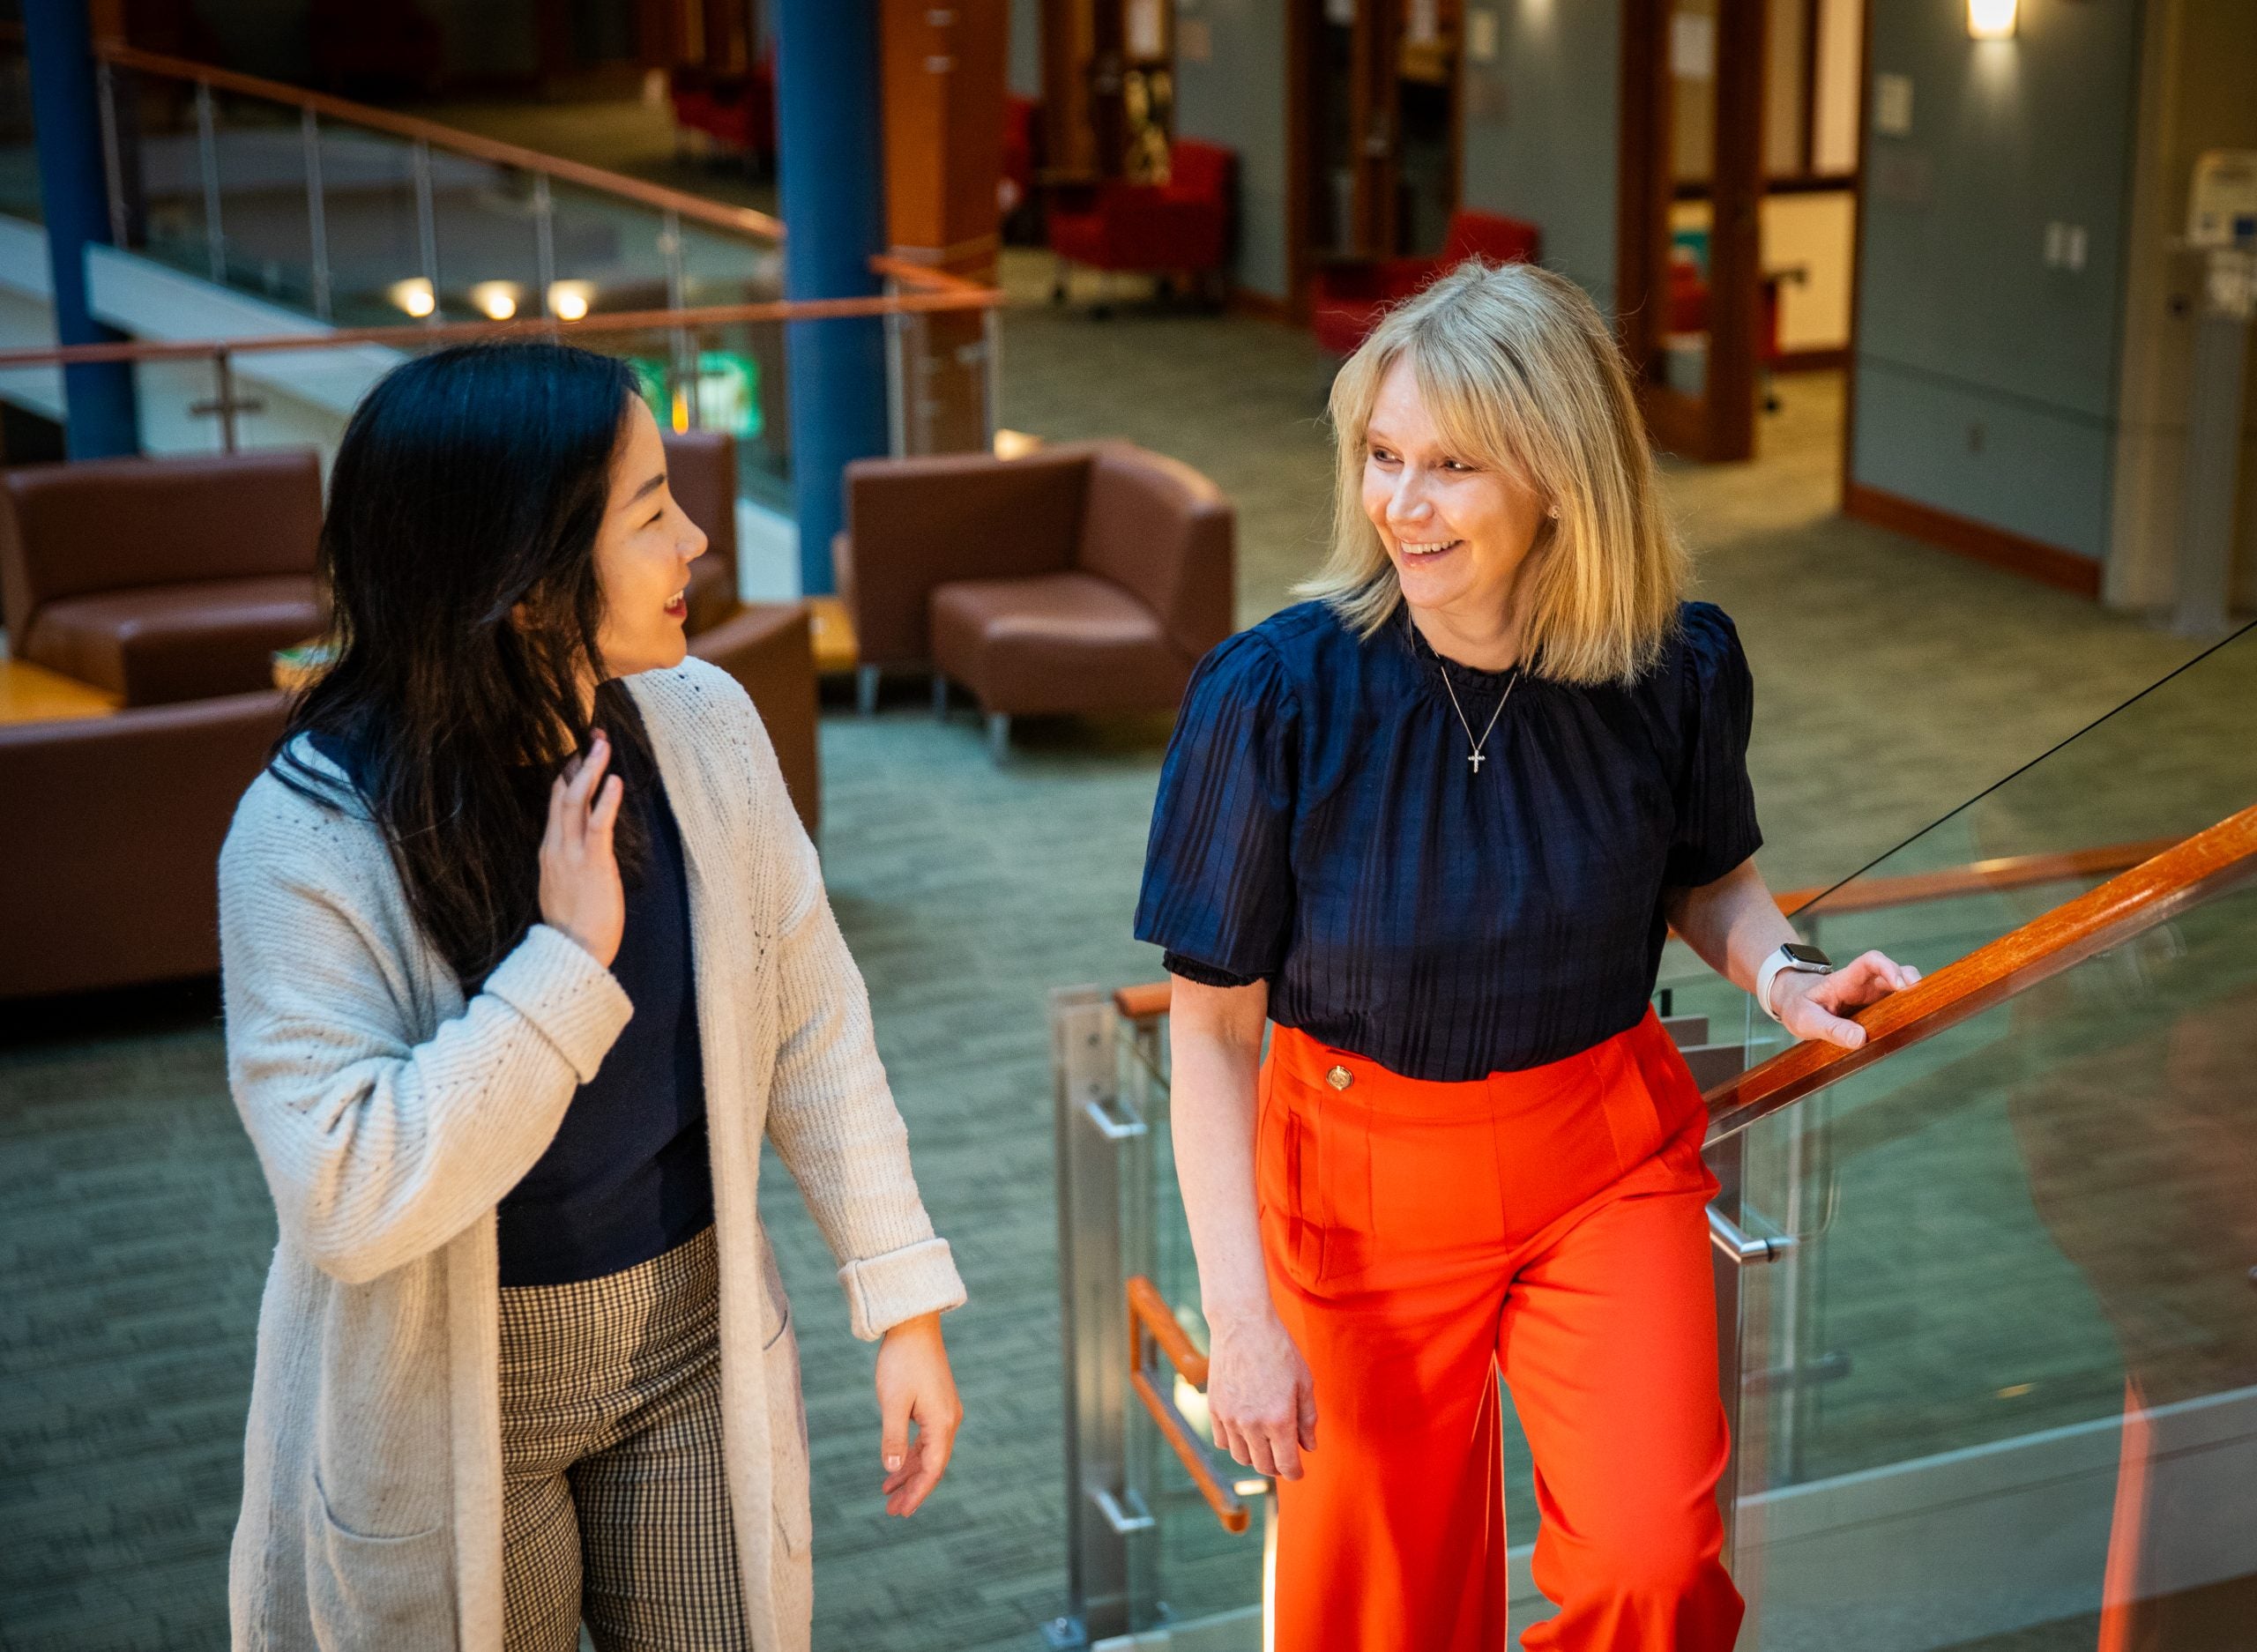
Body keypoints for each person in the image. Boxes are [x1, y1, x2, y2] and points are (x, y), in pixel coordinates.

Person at [1135, 261, 1918, 1650]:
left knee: (1654, 1564)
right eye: (1382, 455)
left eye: (1451, 465)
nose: (1400, 503)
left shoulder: (1667, 667)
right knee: (1381, 1611)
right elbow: (1208, 1033)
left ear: (1559, 473)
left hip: (1601, 1155)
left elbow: (1709, 876)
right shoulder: (1277, 696)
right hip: (1359, 1184)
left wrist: (1784, 971)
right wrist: (1238, 1316)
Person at [218, 342, 965, 1652]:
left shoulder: (704, 723)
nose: (699, 538)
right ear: (521, 575)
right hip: (447, 1387)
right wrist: (563, 966)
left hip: (692, 1341)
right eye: (651, 509)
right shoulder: (306, 837)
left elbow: (812, 1015)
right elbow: (344, 1192)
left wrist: (901, 1299)